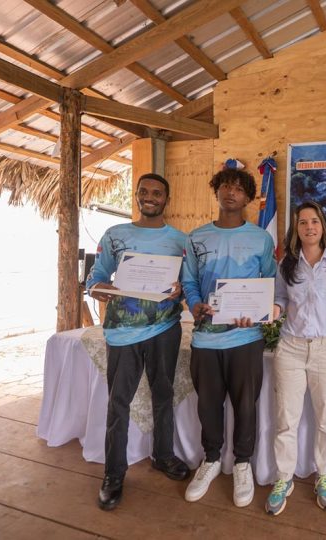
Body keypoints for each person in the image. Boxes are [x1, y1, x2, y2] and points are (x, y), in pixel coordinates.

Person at [87, 172, 190, 511]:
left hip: (164, 330)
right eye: (144, 191)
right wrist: (103, 290)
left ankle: (163, 456)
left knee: (163, 396)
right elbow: (95, 280)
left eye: (157, 192)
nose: (150, 197)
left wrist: (181, 290)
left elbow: (188, 285)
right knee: (119, 403)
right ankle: (113, 474)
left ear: (166, 199)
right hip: (122, 333)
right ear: (136, 196)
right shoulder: (115, 235)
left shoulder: (180, 241)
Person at [181, 168, 276, 507]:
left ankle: (242, 463)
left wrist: (263, 309)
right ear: (216, 191)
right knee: (208, 405)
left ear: (249, 197)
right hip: (206, 339)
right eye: (225, 187)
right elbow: (189, 281)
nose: (231, 193)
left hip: (246, 338)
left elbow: (271, 281)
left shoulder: (262, 239)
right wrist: (194, 304)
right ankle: (209, 460)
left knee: (245, 406)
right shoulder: (197, 237)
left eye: (238, 189)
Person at [264, 201, 326, 515]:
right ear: (296, 229)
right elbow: (279, 298)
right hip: (290, 347)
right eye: (302, 222)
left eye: (314, 221)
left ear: (323, 225)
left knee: (325, 419)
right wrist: (272, 312)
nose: (309, 227)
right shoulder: (287, 263)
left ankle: (324, 474)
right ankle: (284, 478)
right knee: (286, 419)